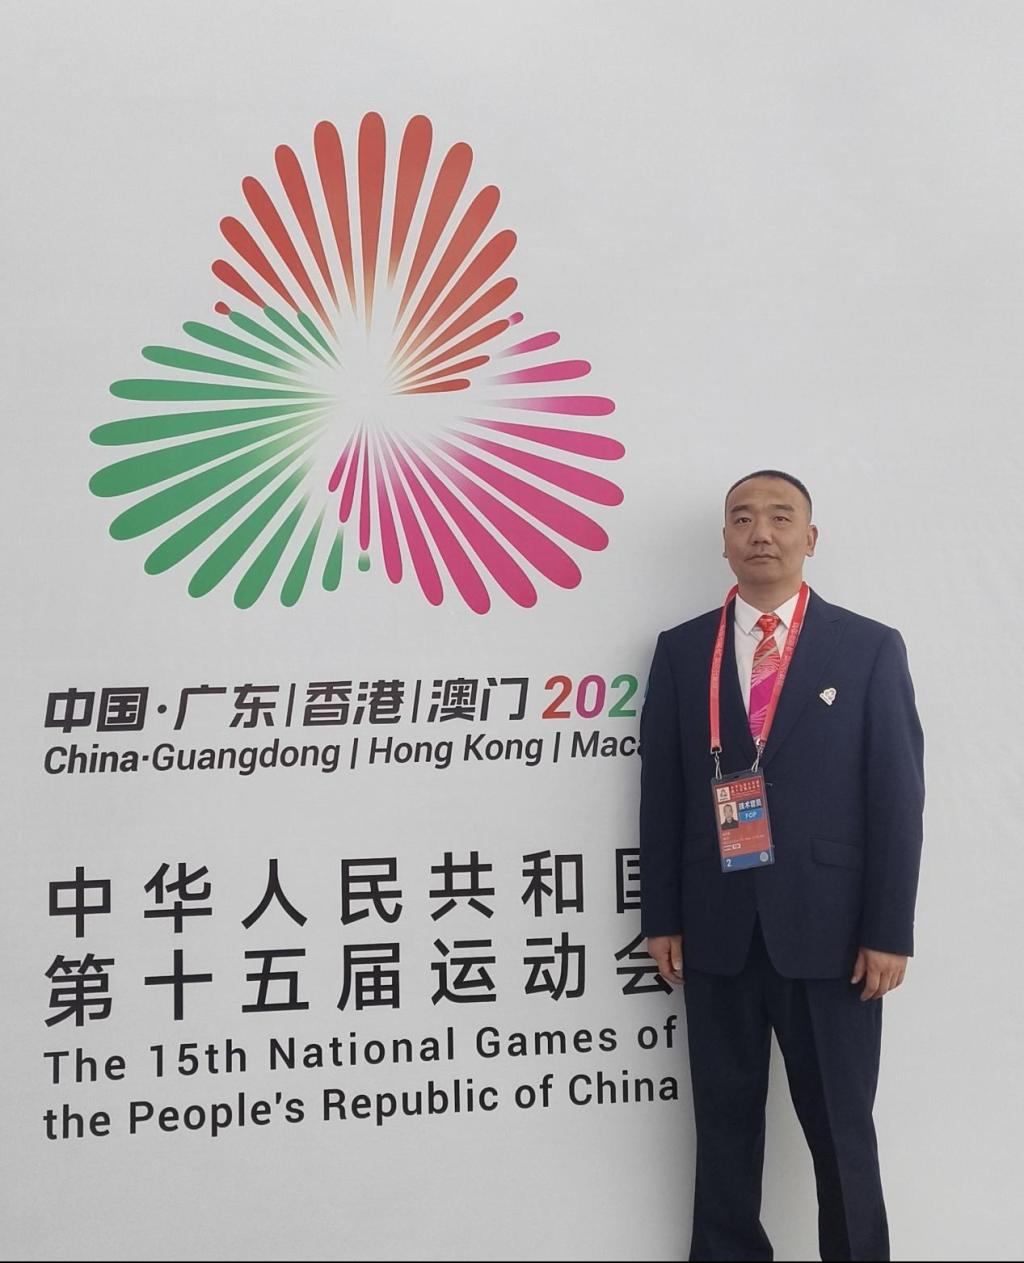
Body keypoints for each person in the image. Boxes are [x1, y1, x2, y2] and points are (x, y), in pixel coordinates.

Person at [639, 470, 924, 1262]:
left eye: (779, 517)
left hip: (832, 936)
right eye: (742, 519)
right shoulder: (683, 650)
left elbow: (897, 797)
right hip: (716, 928)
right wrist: (662, 915)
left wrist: (888, 929)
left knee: (841, 1132)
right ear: (724, 541)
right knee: (723, 1130)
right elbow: (662, 794)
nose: (760, 532)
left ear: (810, 536)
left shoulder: (867, 648)